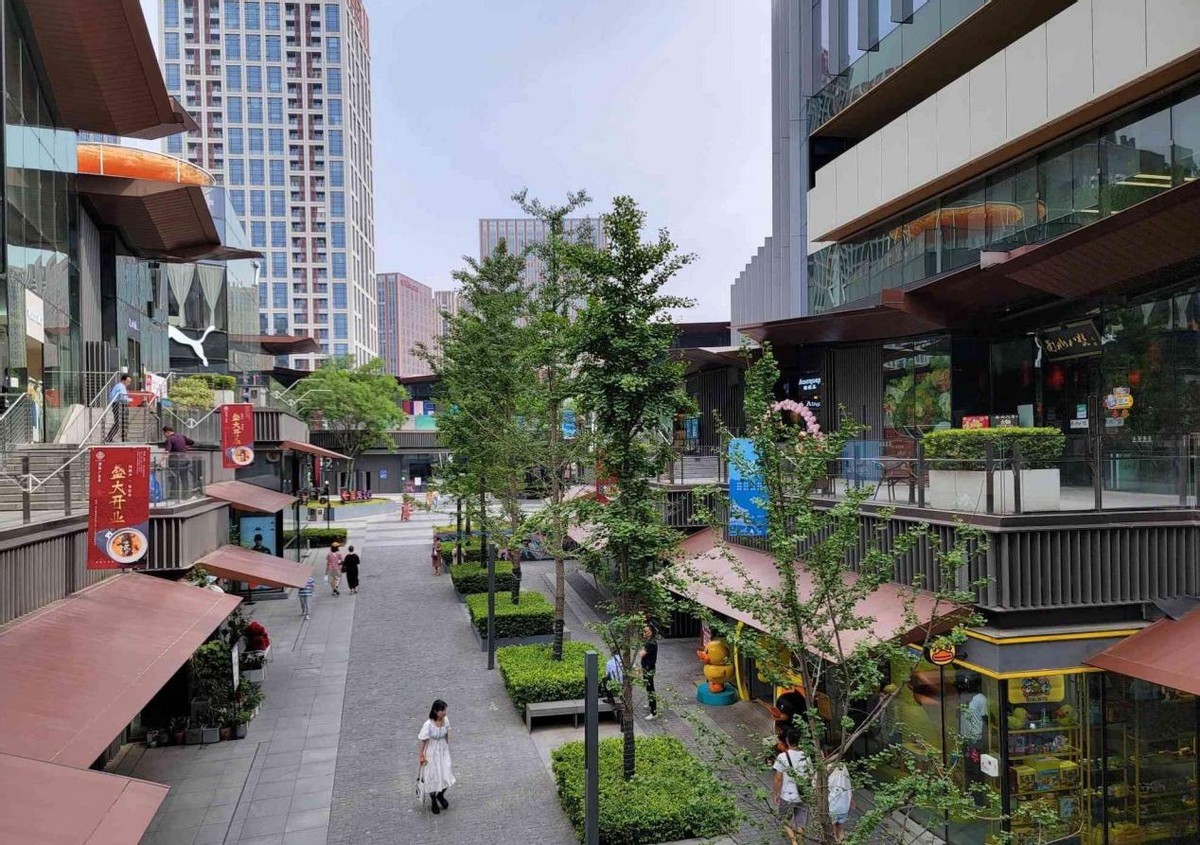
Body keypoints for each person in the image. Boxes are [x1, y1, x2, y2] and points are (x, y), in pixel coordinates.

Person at [773, 728, 810, 845]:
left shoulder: (782, 757)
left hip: (787, 795)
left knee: (785, 819)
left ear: (787, 741)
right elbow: (810, 775)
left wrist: (776, 793)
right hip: (803, 794)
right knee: (801, 820)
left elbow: (778, 778)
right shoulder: (806, 756)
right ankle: (800, 840)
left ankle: (794, 841)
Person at [418, 699, 455, 814]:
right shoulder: (428, 725)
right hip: (432, 753)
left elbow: (447, 732)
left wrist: (447, 742)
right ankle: (434, 800)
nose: (444, 712)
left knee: (446, 774)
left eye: (444, 710)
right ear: (435, 711)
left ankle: (440, 795)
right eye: (442, 710)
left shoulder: (446, 720)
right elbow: (423, 741)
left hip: (443, 751)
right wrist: (421, 756)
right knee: (433, 776)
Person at [827, 754, 853, 841]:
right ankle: (841, 840)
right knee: (840, 825)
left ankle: (835, 840)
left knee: (833, 826)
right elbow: (848, 784)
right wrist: (851, 799)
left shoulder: (827, 767)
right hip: (844, 802)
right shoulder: (842, 766)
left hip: (833, 802)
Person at [637, 623, 659, 720]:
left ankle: (653, 712)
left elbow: (641, 654)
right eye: (644, 631)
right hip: (647, 667)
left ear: (651, 632)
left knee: (650, 688)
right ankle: (650, 703)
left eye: (646, 631)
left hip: (649, 668)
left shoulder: (650, 643)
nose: (644, 633)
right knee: (648, 686)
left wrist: (642, 650)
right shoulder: (649, 642)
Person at [105, 374, 132, 442]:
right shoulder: (121, 386)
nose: (129, 383)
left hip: (117, 404)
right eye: (128, 381)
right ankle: (109, 438)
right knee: (120, 423)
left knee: (119, 423)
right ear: (123, 380)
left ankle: (111, 438)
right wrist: (130, 400)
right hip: (119, 405)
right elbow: (122, 397)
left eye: (130, 382)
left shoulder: (119, 386)